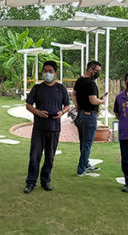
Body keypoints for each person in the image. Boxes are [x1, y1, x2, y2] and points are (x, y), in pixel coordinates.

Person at [24, 61, 70, 193]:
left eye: (50, 71)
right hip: (39, 128)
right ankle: (31, 182)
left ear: (55, 73)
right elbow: (28, 105)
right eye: (45, 71)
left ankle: (46, 181)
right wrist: (38, 112)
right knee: (35, 155)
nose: (47, 73)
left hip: (54, 128)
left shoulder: (61, 89)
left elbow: (67, 105)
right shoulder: (37, 88)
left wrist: (62, 112)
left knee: (50, 157)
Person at [73, 60, 106, 176]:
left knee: (83, 143)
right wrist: (102, 100)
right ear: (91, 69)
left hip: (80, 115)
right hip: (89, 116)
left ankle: (85, 163)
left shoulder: (79, 81)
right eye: (97, 71)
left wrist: (77, 105)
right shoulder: (91, 84)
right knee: (87, 143)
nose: (98, 73)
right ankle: (81, 169)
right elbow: (93, 100)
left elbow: (74, 94)